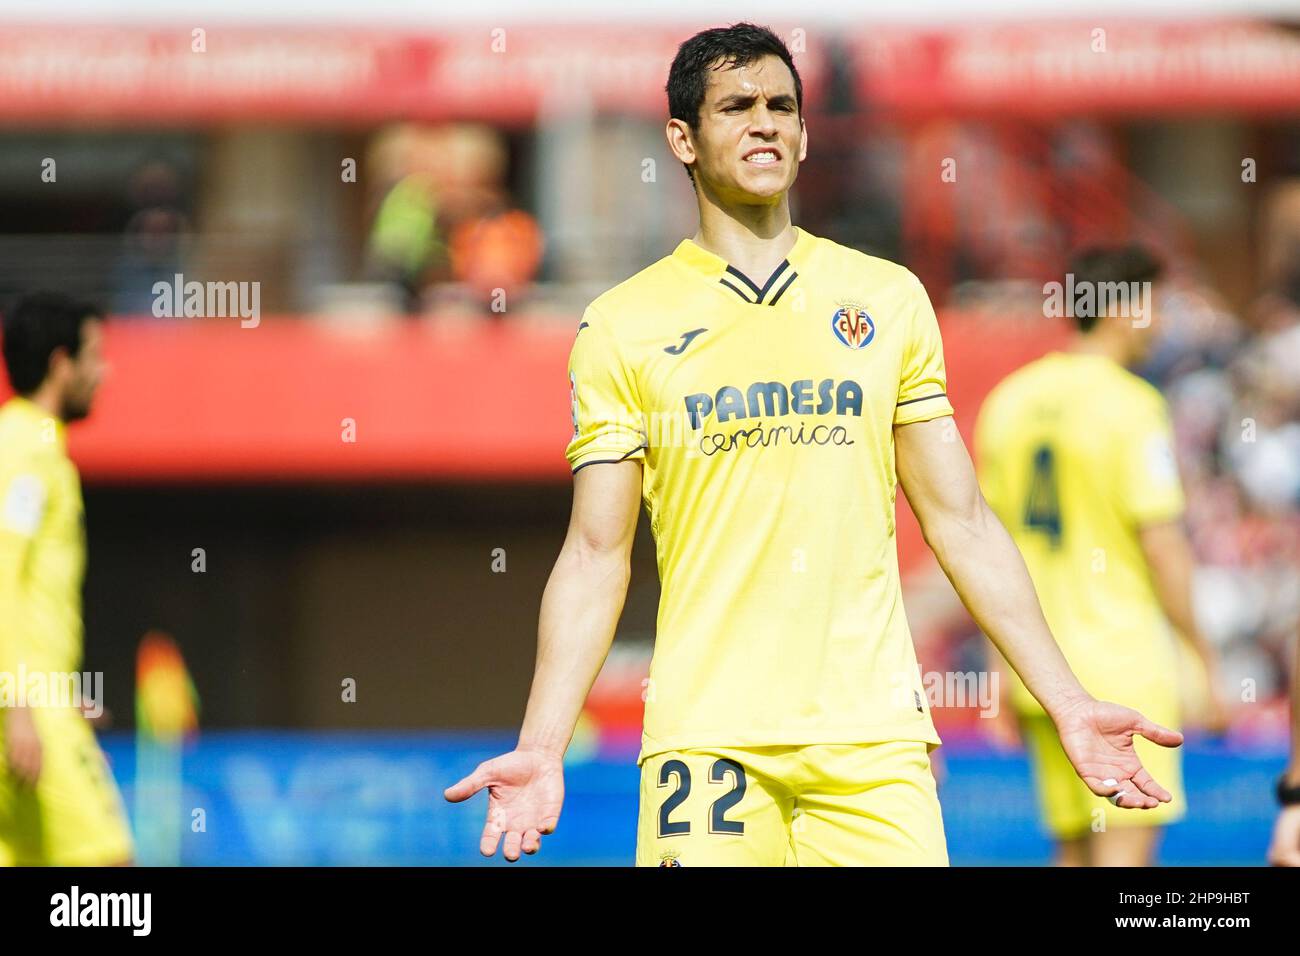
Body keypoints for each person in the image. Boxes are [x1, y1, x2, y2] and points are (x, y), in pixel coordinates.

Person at [446, 23, 1181, 866]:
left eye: (781, 106)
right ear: (682, 138)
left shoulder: (889, 298)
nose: (765, 123)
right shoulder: (622, 327)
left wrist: (1069, 701)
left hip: (874, 744)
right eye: (736, 107)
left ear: (803, 131)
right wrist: (542, 744)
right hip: (708, 743)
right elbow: (594, 553)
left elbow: (964, 523)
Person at [975, 245, 1229, 866]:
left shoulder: (1010, 401)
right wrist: (1204, 658)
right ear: (1126, 310)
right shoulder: (1132, 405)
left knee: (1072, 852)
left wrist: (998, 670)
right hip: (1122, 667)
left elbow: (983, 548)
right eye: (1158, 305)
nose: (1164, 322)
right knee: (1124, 864)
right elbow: (1162, 543)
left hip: (1040, 670)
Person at [0, 291, 134, 866]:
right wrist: (22, 706)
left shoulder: (30, 445)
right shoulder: (26, 449)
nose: (104, 372)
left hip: (34, 698)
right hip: (25, 707)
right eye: (94, 356)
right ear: (61, 363)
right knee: (111, 873)